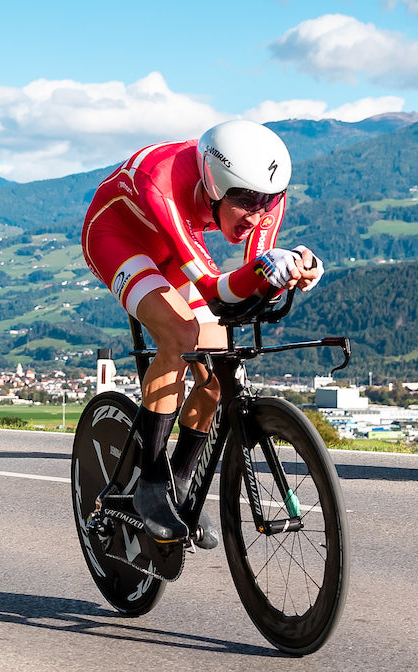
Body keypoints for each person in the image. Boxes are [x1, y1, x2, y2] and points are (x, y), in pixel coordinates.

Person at [81, 120, 323, 547]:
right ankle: (151, 482)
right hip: (117, 235)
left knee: (218, 361)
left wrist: (292, 270)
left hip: (173, 246)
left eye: (268, 201)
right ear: (214, 187)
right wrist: (267, 269)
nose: (258, 214)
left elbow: (255, 268)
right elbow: (216, 289)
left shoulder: (263, 198)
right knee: (179, 337)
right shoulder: (161, 180)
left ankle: (182, 478)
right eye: (246, 201)